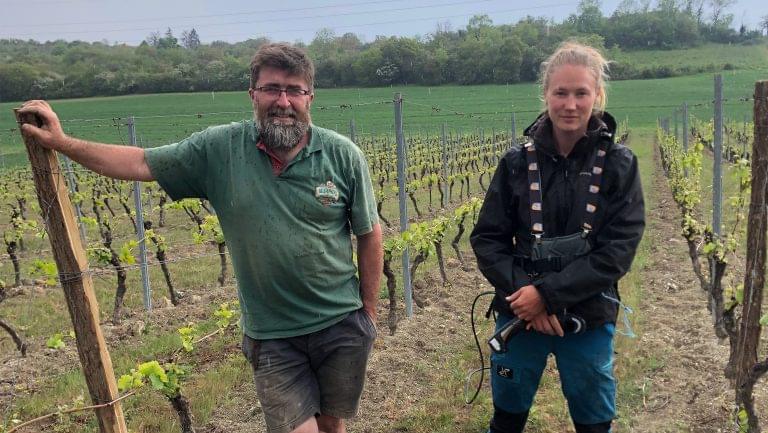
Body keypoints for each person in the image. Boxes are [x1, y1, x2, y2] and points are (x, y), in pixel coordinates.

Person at [18, 42, 382, 433]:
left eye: (294, 90)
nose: (283, 100)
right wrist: (62, 143)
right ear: (252, 95)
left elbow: (369, 233)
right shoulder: (220, 149)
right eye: (271, 88)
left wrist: (368, 314)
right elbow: (141, 161)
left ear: (310, 97)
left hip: (340, 324)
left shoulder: (342, 156)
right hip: (273, 335)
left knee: (332, 426)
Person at [470, 41, 645, 433]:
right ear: (546, 95)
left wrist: (547, 296)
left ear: (597, 95)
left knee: (594, 419)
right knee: (507, 416)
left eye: (581, 93)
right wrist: (526, 297)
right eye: (561, 92)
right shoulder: (515, 163)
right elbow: (488, 239)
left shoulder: (619, 165)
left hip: (589, 314)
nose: (570, 104)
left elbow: (617, 250)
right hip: (519, 314)